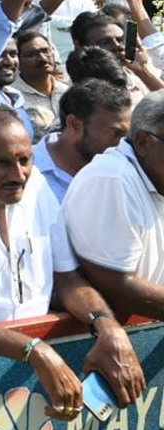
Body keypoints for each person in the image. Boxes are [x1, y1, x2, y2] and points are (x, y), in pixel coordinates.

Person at [0, 105, 145, 415]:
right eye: (2, 163)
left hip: (35, 366)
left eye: (25, 160)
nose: (18, 174)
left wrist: (106, 326)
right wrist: (33, 350)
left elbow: (69, 280)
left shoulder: (35, 186)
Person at [63, 91, 164, 321]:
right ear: (142, 142)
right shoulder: (111, 179)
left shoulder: (156, 174)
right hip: (100, 343)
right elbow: (117, 288)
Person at [35, 79, 131, 202]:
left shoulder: (124, 169)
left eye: (126, 135)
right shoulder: (25, 174)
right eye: (116, 133)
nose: (123, 143)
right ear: (74, 125)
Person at [11, 30, 68, 141]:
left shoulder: (67, 91)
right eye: (31, 55)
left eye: (46, 51)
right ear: (18, 61)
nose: (42, 58)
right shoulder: (13, 96)